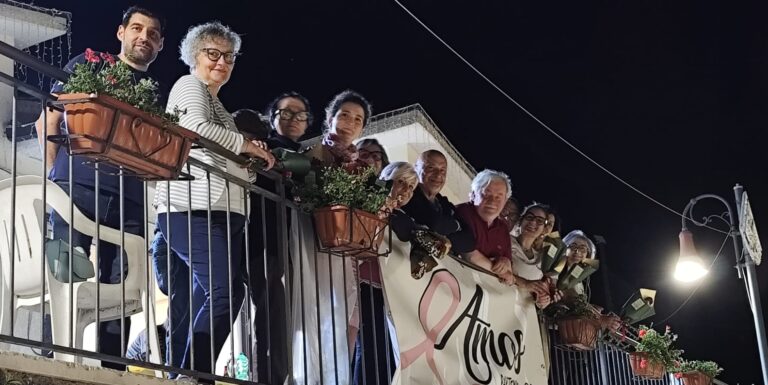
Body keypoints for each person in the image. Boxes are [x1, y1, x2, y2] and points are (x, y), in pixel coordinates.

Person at [33, 5, 165, 370]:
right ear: (121, 33)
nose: (144, 37)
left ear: (161, 45)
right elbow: (49, 122)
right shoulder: (89, 65)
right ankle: (54, 361)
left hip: (129, 199)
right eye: (137, 28)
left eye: (152, 34)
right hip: (74, 187)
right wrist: (54, 180)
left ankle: (113, 368)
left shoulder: (155, 93)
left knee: (120, 288)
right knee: (65, 274)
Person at [153, 21, 274, 379]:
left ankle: (189, 372)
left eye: (229, 57)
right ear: (195, 56)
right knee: (225, 292)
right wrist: (245, 146)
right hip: (192, 207)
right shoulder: (190, 85)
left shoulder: (218, 105)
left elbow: (235, 162)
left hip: (222, 211)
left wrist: (250, 158)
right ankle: (192, 373)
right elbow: (194, 127)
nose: (222, 62)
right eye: (213, 54)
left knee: (217, 294)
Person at [291, 90, 372, 384]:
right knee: (312, 310)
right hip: (313, 243)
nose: (350, 123)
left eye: (358, 119)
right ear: (330, 118)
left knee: (341, 317)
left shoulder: (363, 170)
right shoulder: (313, 155)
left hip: (345, 253)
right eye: (345, 115)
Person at [238, 91, 312, 384]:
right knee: (272, 315)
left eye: (301, 115)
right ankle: (271, 377)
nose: (294, 120)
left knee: (280, 316)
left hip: (288, 246)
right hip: (260, 242)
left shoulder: (305, 158)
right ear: (273, 118)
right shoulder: (264, 147)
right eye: (286, 113)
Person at [352, 161, 415, 385]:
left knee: (387, 350)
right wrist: (383, 210)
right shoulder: (371, 204)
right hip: (365, 284)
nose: (405, 191)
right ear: (387, 179)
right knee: (369, 347)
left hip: (390, 292)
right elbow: (367, 242)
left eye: (411, 187)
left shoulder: (406, 221)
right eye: (401, 182)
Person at [399, 150, 475, 255]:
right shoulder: (408, 195)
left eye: (442, 170)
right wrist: (456, 227)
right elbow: (434, 222)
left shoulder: (444, 204)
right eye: (431, 168)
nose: (438, 175)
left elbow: (470, 240)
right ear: (416, 169)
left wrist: (445, 240)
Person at [455, 169, 515, 284]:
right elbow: (470, 256)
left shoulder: (503, 229)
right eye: (486, 194)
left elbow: (509, 268)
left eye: (499, 197)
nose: (492, 201)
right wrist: (501, 272)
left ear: (505, 201)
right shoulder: (463, 212)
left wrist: (505, 261)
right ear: (473, 195)